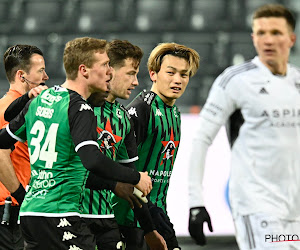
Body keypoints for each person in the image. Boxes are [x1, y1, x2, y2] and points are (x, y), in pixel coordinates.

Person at [0, 37, 152, 249]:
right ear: (84, 70)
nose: (110, 72)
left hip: (30, 213)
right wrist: (136, 178)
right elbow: (92, 160)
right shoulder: (80, 108)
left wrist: (25, 99)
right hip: (60, 214)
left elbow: (2, 139)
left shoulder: (43, 99)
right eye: (105, 65)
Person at [188, 4, 300, 250]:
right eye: (261, 33)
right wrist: (195, 202)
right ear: (253, 37)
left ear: (291, 38)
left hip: (295, 209)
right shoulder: (235, 80)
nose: (267, 40)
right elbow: (201, 139)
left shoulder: (297, 81)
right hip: (258, 206)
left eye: (276, 33)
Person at [113, 42, 200, 249]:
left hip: (158, 213)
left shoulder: (174, 113)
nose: (177, 80)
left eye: (184, 74)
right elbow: (121, 169)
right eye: (170, 72)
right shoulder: (141, 110)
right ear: (153, 74)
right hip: (130, 219)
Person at [83, 39, 167, 250]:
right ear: (109, 70)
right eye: (130, 73)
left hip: (105, 218)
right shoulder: (78, 108)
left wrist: (149, 230)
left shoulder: (123, 118)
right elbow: (73, 169)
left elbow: (132, 181)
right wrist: (116, 184)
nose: (136, 82)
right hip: (73, 217)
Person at [0, 44, 48, 250]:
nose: (46, 76)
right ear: (21, 75)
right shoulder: (9, 112)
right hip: (10, 209)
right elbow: (0, 154)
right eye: (40, 71)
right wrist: (21, 195)